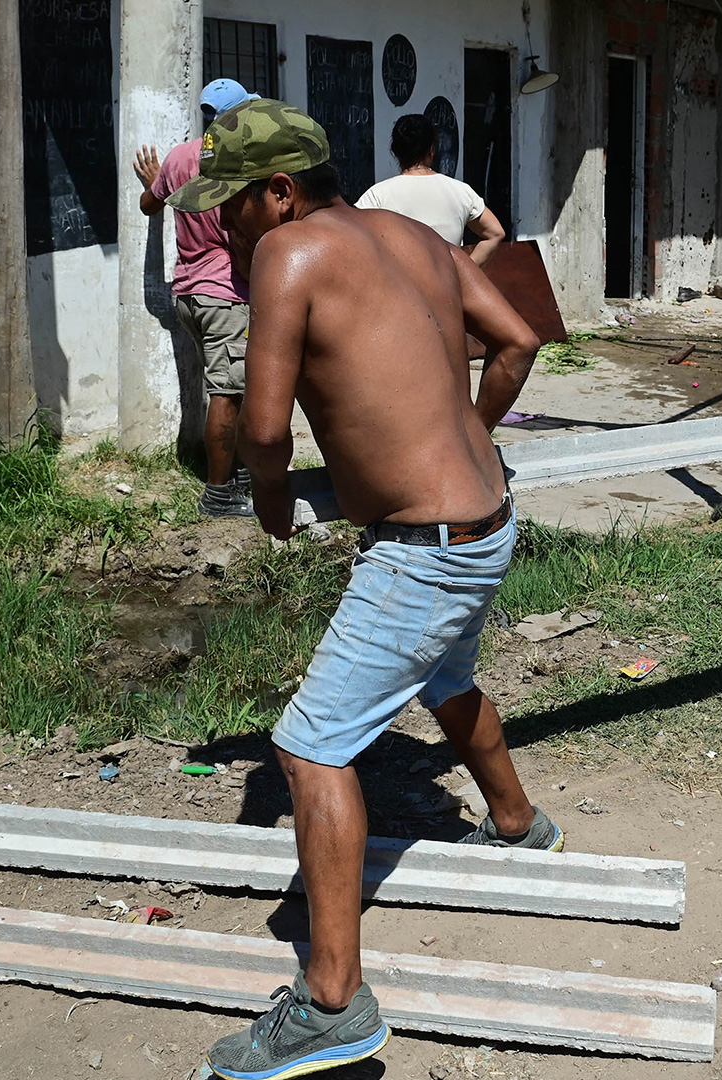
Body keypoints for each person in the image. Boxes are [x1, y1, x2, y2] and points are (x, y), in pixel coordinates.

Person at [165, 99, 557, 1078]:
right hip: (488, 518)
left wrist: (267, 502)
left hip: (424, 548)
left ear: (279, 192)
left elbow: (264, 429)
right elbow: (517, 341)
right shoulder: (411, 236)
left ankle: (333, 1001)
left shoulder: (287, 253)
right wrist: (461, 438)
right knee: (445, 676)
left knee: (310, 747)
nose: (223, 223)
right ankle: (519, 823)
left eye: (231, 204)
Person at [134, 77, 260, 518]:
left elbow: (149, 205)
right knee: (227, 392)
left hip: (188, 292)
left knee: (235, 388)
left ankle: (240, 478)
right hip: (225, 294)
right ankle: (218, 495)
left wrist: (158, 181)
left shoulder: (179, 157)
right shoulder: (235, 162)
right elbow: (240, 236)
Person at [356, 113, 507, 265]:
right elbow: (495, 233)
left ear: (395, 151)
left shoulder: (377, 196)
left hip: (398, 280)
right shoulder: (460, 191)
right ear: (432, 150)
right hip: (448, 279)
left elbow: (351, 238)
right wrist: (465, 272)